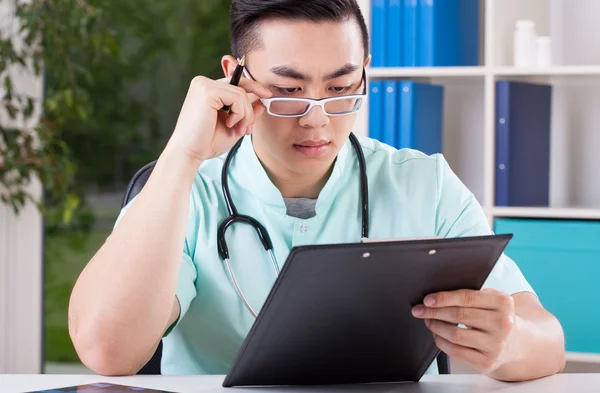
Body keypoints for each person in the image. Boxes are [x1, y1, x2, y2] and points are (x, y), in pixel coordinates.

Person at [68, 0, 566, 382]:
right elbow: (107, 351)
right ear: (234, 76)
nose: (318, 120)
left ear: (365, 69)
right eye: (287, 92)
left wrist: (509, 343)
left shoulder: (423, 183)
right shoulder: (186, 190)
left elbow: (549, 340)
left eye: (341, 87)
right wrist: (183, 154)